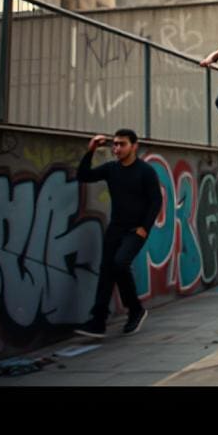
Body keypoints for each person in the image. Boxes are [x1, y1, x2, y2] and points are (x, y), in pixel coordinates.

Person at [74, 129, 162, 339]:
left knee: (120, 263)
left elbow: (156, 201)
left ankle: (136, 310)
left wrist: (144, 228)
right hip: (116, 228)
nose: (117, 149)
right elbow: (83, 175)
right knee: (107, 271)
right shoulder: (111, 169)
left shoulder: (145, 171)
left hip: (136, 230)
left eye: (122, 144)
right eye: (114, 145)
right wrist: (91, 150)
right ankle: (98, 322)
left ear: (134, 146)